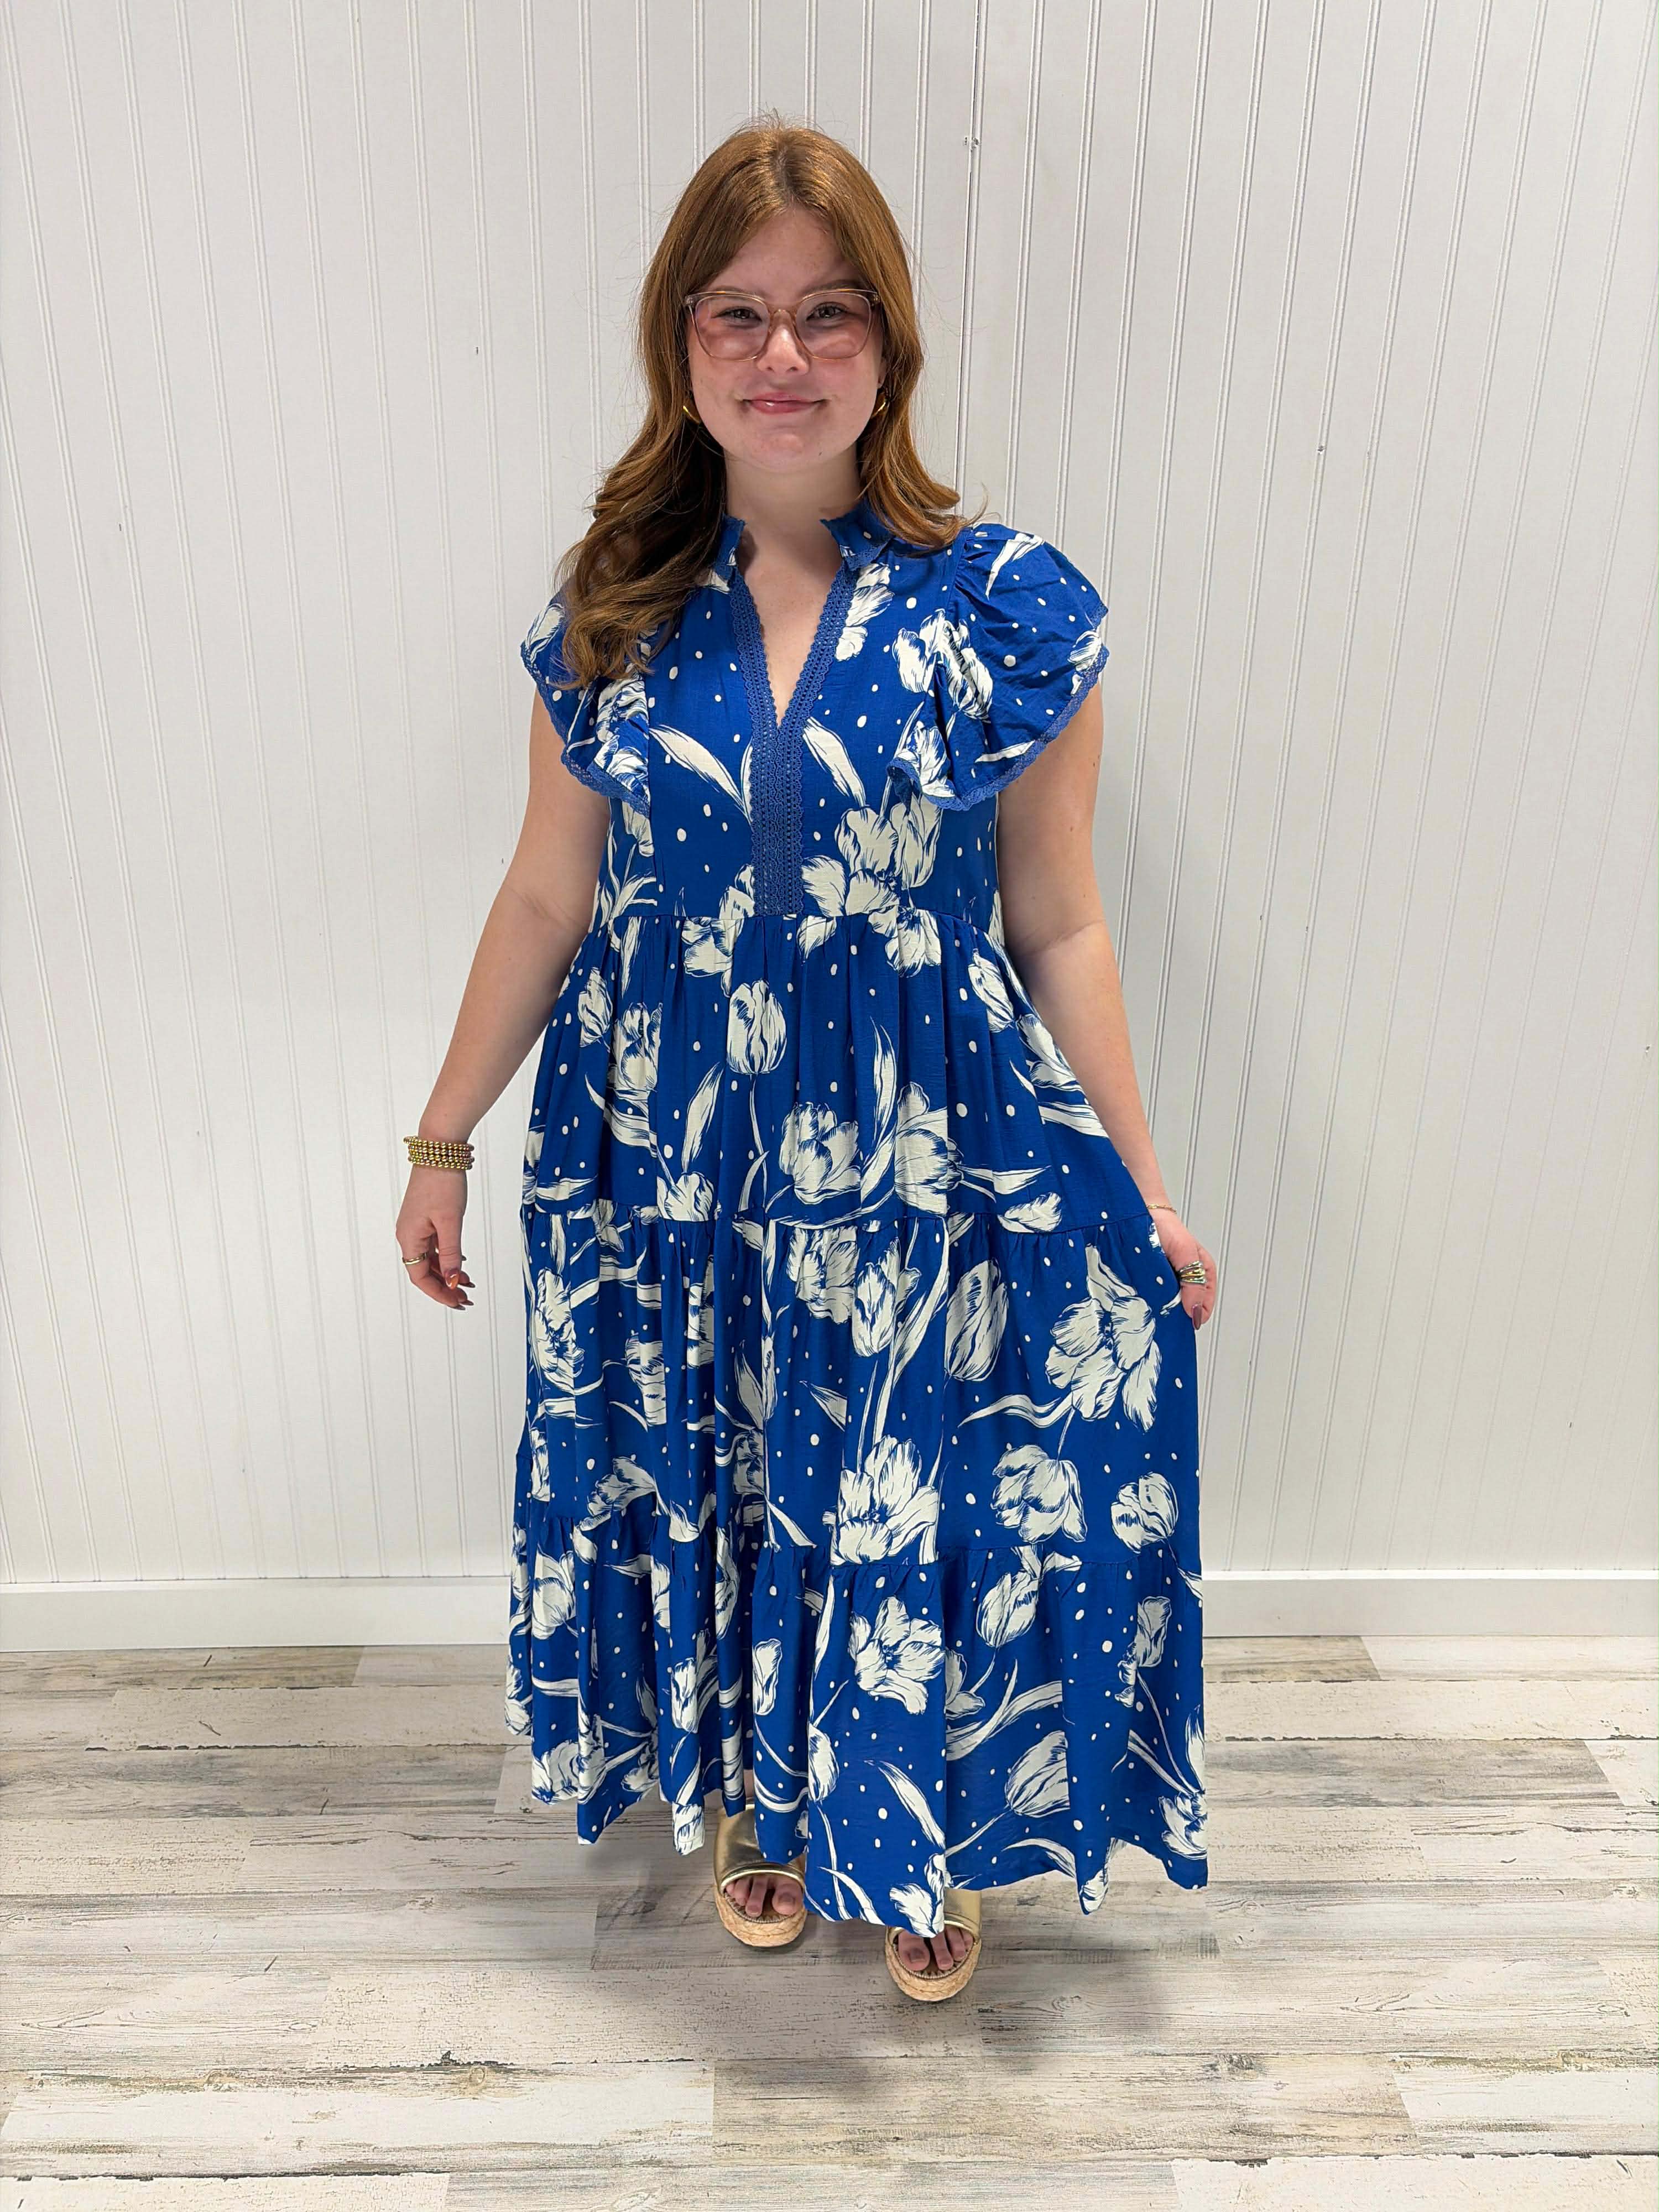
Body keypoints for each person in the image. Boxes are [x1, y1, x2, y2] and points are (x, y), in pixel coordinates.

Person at [397, 116, 1217, 2004]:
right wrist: (440, 1140)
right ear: (679, 345)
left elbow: (1060, 922)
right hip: (675, 1149)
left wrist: (1145, 1183)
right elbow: (545, 897)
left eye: (829, 314)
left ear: (889, 345)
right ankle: (764, 1802)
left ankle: (926, 1823)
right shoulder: (615, 608)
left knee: (919, 1475)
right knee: (737, 1471)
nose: (784, 357)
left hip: (923, 1143)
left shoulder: (1000, 607)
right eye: (739, 315)